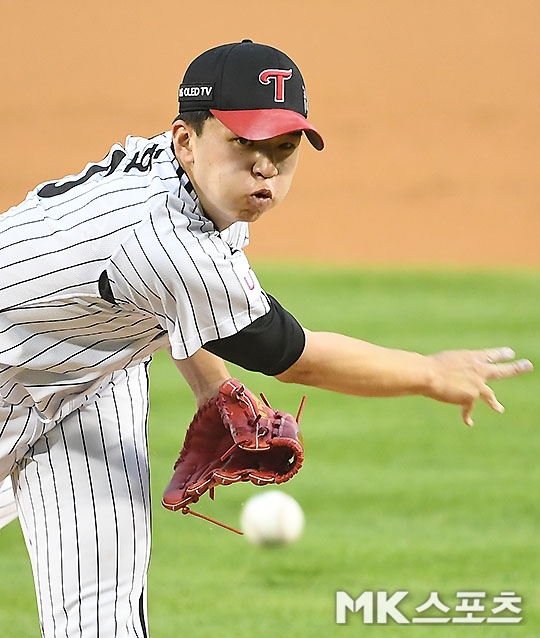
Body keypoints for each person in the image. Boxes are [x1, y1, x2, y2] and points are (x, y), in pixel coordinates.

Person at [0, 39, 532, 637]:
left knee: (101, 623)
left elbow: (166, 303)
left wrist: (213, 390)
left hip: (90, 379)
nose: (266, 168)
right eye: (245, 144)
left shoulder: (192, 181)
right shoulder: (163, 237)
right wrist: (430, 373)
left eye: (283, 148)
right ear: (187, 139)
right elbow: (292, 356)